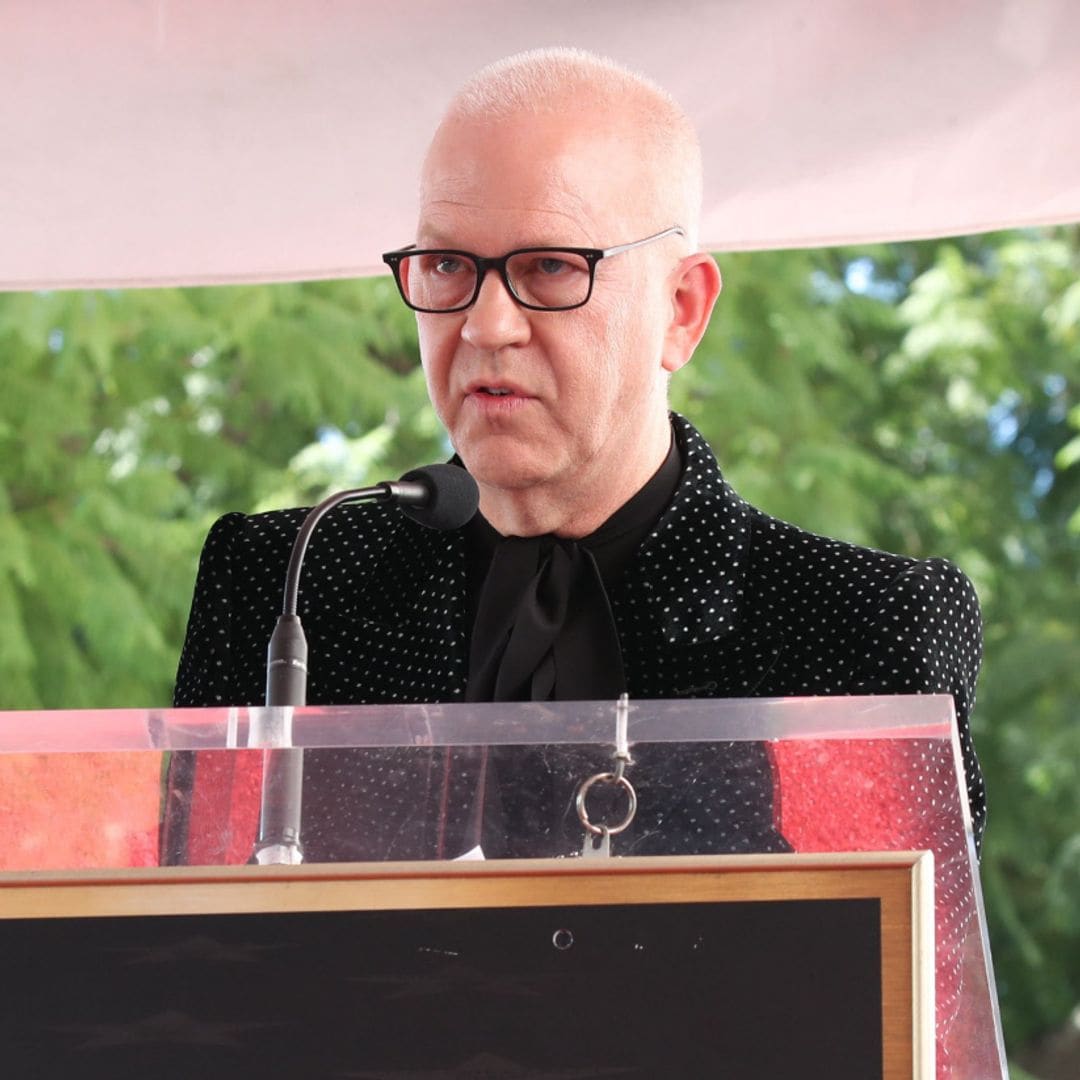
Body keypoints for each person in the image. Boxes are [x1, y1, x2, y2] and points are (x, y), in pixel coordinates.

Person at [167, 48, 984, 863]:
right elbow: (181, 962)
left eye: (551, 267)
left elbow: (895, 977)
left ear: (681, 310)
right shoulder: (283, 584)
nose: (486, 327)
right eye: (449, 265)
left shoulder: (864, 628)